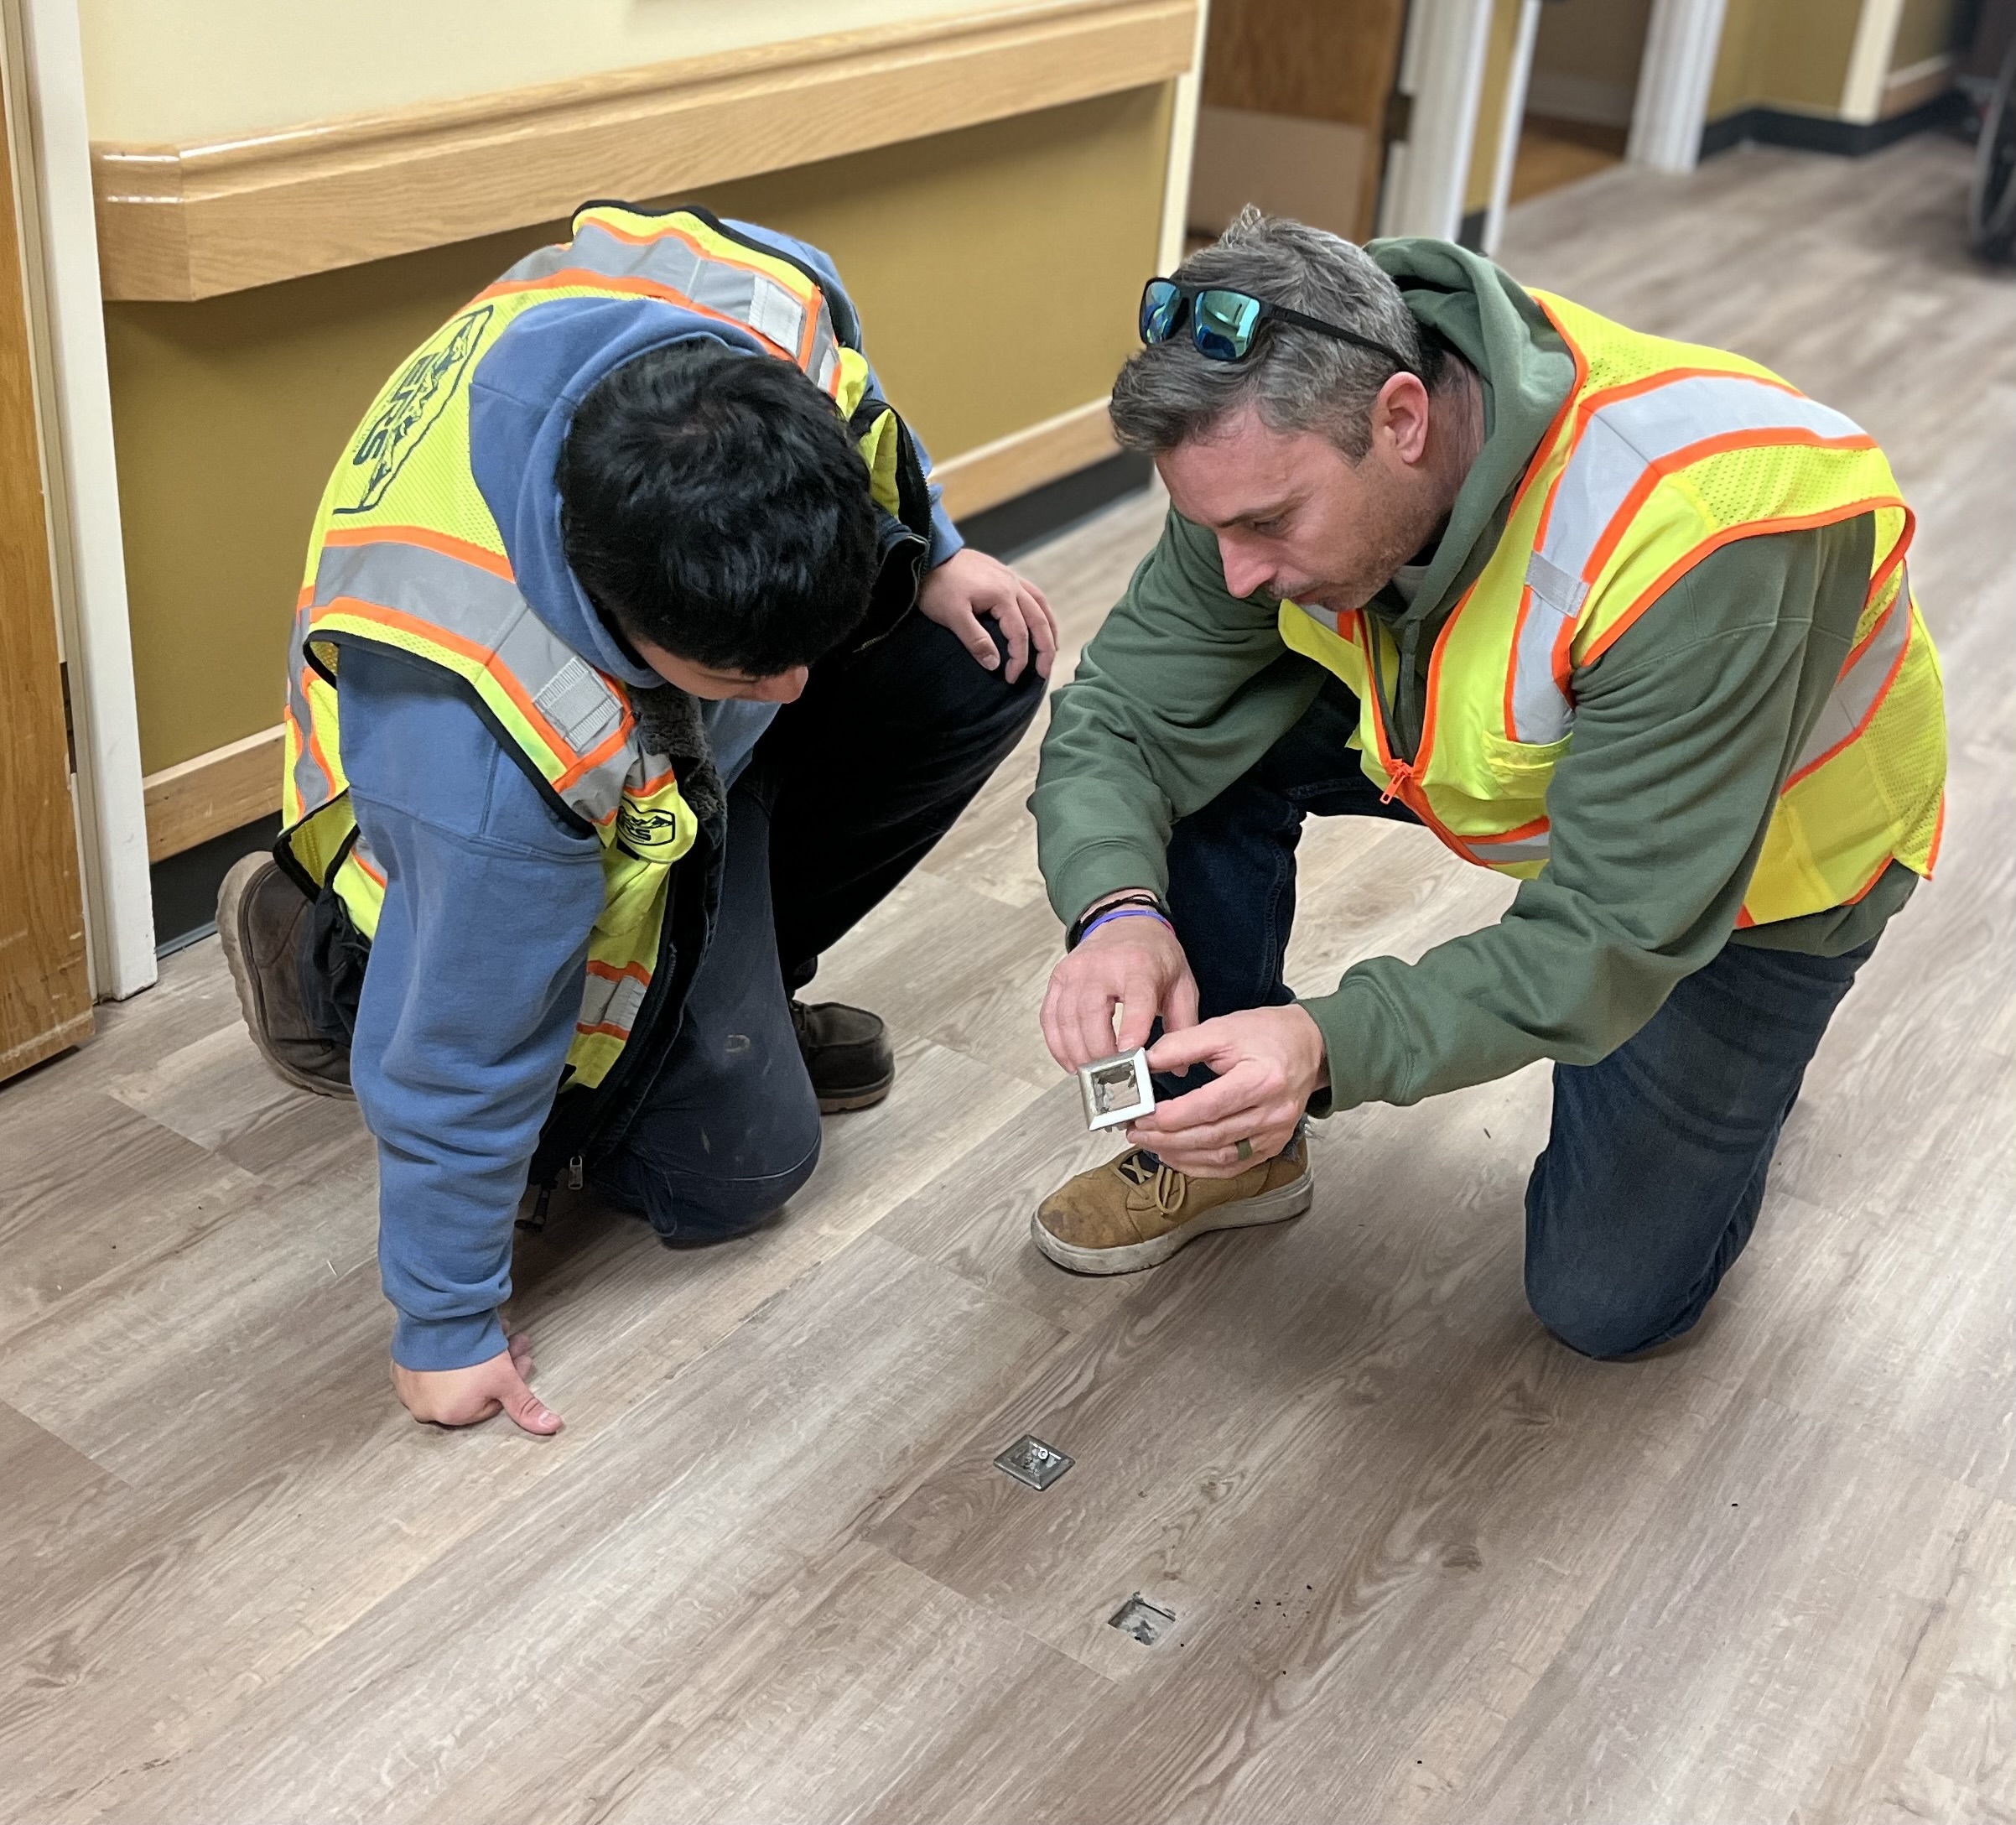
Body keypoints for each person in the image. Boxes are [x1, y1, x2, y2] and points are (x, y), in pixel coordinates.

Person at [1030, 208, 1945, 1358]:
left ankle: (1744, 1094)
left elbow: (1613, 930)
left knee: (1604, 1302)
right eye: (1211, 524)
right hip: (1496, 759)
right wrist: (1116, 907)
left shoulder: (1710, 535)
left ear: (1402, 420)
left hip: (1755, 865)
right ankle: (1225, 1144)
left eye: (1268, 523)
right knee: (1198, 748)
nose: (1237, 571)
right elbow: (1124, 715)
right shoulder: (1262, 457)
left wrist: (1327, 1044)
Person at [218, 203, 1053, 1432]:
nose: (798, 690)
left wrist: (930, 549)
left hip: (657, 779)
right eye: (748, 670)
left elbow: (864, 425)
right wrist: (443, 1324)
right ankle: (331, 965)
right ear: (620, 618)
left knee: (983, 652)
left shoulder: (762, 312)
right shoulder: (492, 749)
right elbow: (464, 1048)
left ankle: (735, 986)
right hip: (458, 863)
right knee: (736, 1177)